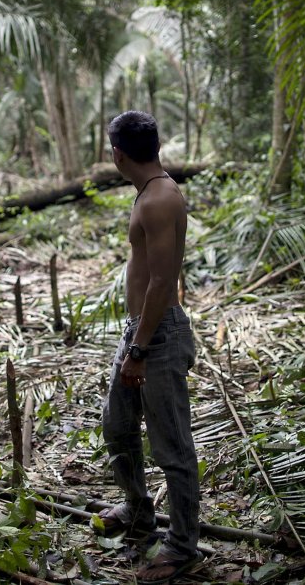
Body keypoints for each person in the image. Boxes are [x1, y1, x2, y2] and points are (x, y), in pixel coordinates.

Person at [95, 110, 202, 584]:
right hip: (139, 330)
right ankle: (139, 513)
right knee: (117, 426)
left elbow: (163, 282)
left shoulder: (159, 199)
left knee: (171, 446)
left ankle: (182, 545)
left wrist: (138, 351)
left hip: (156, 336)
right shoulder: (149, 192)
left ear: (118, 154)